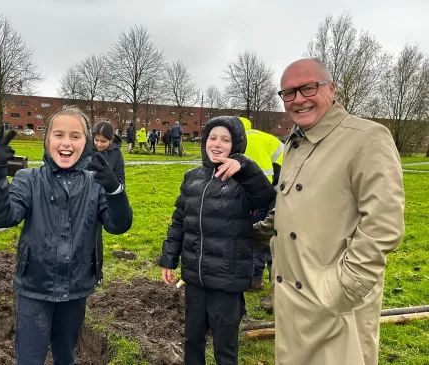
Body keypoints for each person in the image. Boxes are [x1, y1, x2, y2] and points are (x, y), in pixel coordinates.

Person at [243, 58, 404, 365]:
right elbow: (288, 210)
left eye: (308, 88)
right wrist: (241, 234)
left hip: (336, 303)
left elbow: (384, 224)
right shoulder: (294, 143)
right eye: (288, 93)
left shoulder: (367, 138)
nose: (298, 99)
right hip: (291, 295)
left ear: (332, 89)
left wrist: (343, 289)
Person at [0, 105, 133, 365]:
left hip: (76, 289)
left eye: (75, 136)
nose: (66, 143)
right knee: (29, 359)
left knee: (66, 356)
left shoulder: (95, 185)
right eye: (59, 134)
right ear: (47, 139)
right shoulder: (28, 179)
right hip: (34, 288)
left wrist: (114, 189)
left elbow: (118, 225)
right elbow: (1, 217)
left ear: (86, 143)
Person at [159, 116, 274, 365]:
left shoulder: (242, 182)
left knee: (225, 346)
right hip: (195, 278)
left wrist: (244, 167)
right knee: (193, 340)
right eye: (213, 138)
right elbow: (179, 220)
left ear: (236, 145)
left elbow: (264, 196)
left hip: (227, 280)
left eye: (226, 139)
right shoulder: (192, 177)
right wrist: (169, 258)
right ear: (205, 141)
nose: (217, 144)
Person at [238, 117, 284, 295]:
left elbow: (261, 177)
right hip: (278, 186)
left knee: (262, 233)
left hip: (274, 188)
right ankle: (266, 282)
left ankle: (257, 280)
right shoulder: (260, 138)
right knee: (269, 233)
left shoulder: (245, 141)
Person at [90, 121, 126, 287]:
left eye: (103, 141)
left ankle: (97, 274)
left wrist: (111, 184)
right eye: (96, 140)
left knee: (95, 236)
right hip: (84, 196)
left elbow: (120, 180)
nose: (99, 144)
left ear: (111, 140)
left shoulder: (116, 154)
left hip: (101, 200)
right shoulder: (85, 149)